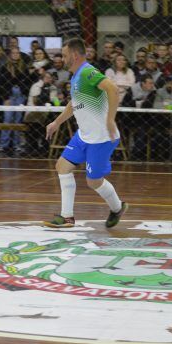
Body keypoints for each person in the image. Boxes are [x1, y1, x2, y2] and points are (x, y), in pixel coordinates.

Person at [43, 38, 127, 228]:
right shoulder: (75, 77)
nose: (62, 59)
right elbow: (74, 104)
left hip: (101, 138)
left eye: (64, 55)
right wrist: (56, 122)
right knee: (62, 166)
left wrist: (111, 118)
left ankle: (117, 208)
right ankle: (67, 217)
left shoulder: (88, 72)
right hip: (84, 135)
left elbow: (112, 89)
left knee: (93, 181)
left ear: (74, 55)